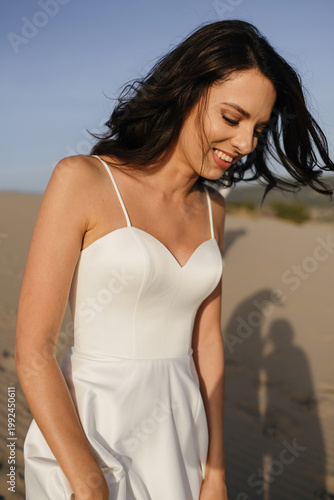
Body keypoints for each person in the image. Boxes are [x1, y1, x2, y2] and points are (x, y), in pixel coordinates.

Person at [15, 19, 333, 500]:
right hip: (93, 431)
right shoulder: (82, 180)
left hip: (182, 434)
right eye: (232, 118)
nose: (247, 144)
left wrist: (216, 472)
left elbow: (207, 348)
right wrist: (87, 480)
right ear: (187, 92)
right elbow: (34, 350)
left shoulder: (213, 210)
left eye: (259, 128)